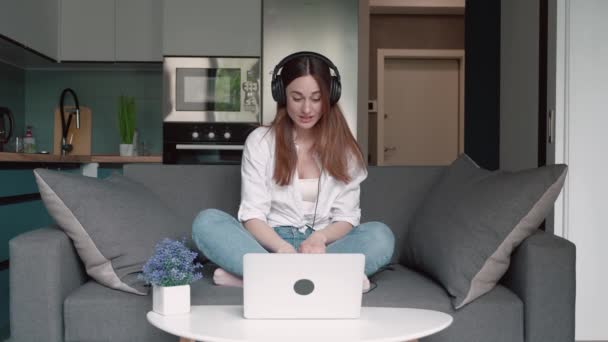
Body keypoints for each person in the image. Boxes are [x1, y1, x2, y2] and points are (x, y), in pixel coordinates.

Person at [192, 51, 394, 291]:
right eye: (297, 97)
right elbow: (252, 215)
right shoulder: (260, 142)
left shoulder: (346, 149)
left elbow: (346, 218)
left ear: (330, 97)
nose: (307, 108)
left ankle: (257, 281)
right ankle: (329, 281)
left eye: (316, 98)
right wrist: (282, 248)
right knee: (207, 222)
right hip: (269, 246)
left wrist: (319, 238)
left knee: (381, 236)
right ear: (282, 96)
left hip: (323, 249)